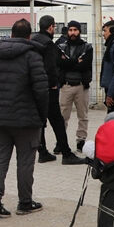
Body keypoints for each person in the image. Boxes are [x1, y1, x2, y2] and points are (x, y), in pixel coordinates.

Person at [0, 19, 48, 219]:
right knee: (25, 161)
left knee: (0, 158)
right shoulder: (33, 57)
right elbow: (42, 91)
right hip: (27, 121)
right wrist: (41, 116)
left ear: (11, 35)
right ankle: (25, 203)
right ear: (29, 36)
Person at [31, 15, 84, 164]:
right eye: (54, 27)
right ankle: (66, 154)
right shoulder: (48, 44)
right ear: (50, 27)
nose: (54, 29)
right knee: (57, 121)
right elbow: (51, 66)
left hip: (35, 87)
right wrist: (54, 83)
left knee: (40, 121)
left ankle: (42, 152)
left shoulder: (33, 41)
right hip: (48, 88)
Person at [57, 20, 93, 152]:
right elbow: (59, 64)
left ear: (79, 31)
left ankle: (81, 141)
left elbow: (85, 65)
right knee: (62, 116)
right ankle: (60, 142)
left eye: (75, 30)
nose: (73, 33)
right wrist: (75, 62)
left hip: (81, 86)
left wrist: (68, 62)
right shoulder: (61, 46)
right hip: (66, 86)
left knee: (83, 116)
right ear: (67, 31)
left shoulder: (87, 47)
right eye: (71, 30)